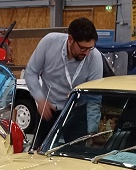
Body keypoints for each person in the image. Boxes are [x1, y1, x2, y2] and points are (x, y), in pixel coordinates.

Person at [24, 17, 103, 147]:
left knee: (76, 156)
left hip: (76, 111)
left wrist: (92, 131)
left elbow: (94, 97)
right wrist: (40, 99)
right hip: (48, 109)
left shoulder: (95, 58)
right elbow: (31, 72)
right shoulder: (49, 43)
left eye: (91, 48)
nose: (87, 53)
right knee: (40, 152)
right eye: (83, 48)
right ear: (70, 39)